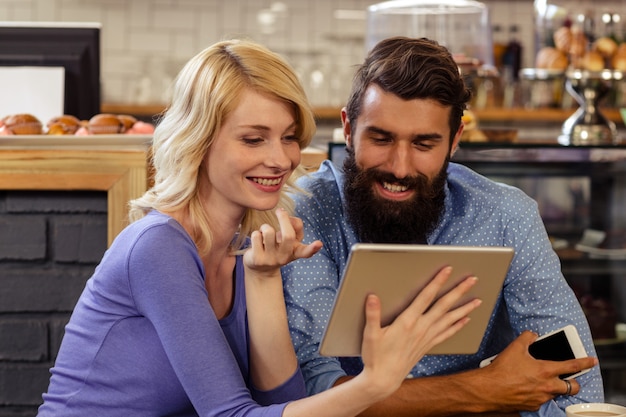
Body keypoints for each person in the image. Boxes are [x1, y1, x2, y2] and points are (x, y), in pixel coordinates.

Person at [36, 39, 481, 417]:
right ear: (199, 139)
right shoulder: (157, 247)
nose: (280, 159)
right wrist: (376, 383)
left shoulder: (247, 246)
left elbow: (280, 402)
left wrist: (264, 278)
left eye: (289, 136)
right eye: (253, 139)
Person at [282, 36, 604, 417]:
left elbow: (577, 388)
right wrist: (484, 390)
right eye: (381, 138)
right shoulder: (305, 208)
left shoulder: (506, 215)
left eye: (424, 144)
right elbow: (312, 390)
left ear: (455, 141)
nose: (400, 168)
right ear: (348, 130)